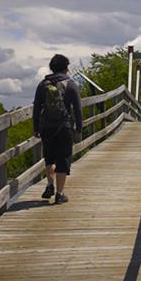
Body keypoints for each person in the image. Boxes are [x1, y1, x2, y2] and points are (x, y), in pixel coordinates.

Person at [33, 54, 83, 204]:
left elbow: (36, 108)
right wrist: (79, 127)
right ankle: (59, 194)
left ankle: (50, 184)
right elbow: (78, 109)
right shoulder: (71, 85)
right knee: (63, 159)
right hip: (64, 127)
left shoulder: (42, 85)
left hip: (46, 127)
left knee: (49, 157)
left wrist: (36, 128)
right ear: (66, 68)